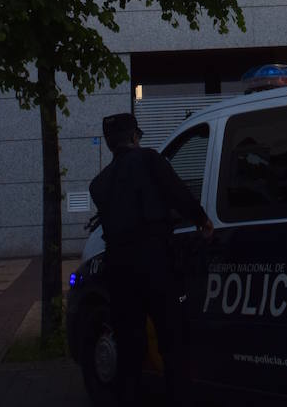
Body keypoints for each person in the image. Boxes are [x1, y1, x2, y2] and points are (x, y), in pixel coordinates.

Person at [89, 112, 213, 407]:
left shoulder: (99, 184)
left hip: (119, 271)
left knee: (130, 349)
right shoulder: (150, 160)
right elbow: (177, 194)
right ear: (134, 137)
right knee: (172, 341)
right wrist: (202, 221)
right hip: (156, 264)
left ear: (109, 145)